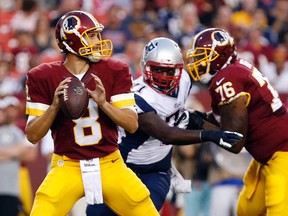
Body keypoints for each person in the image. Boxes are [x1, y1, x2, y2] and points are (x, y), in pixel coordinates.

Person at [86, 37, 243, 215]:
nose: (164, 76)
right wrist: (212, 135)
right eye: (158, 69)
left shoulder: (184, 80)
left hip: (156, 171)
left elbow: (180, 116)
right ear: (145, 66)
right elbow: (165, 132)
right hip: (121, 169)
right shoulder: (137, 95)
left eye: (170, 71)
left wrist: (219, 124)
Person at [24, 10, 159, 216]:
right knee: (43, 208)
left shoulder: (114, 70)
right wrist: (54, 107)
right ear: (73, 40)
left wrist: (104, 103)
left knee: (144, 208)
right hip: (66, 164)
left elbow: (131, 124)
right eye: (93, 35)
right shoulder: (43, 76)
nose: (99, 41)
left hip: (110, 162)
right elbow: (33, 136)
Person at [185, 27, 288, 215]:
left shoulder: (226, 78)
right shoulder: (234, 70)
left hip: (283, 153)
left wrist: (199, 125)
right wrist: (198, 117)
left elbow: (235, 141)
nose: (197, 62)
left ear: (220, 55)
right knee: (246, 210)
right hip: (267, 157)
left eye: (203, 56)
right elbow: (226, 119)